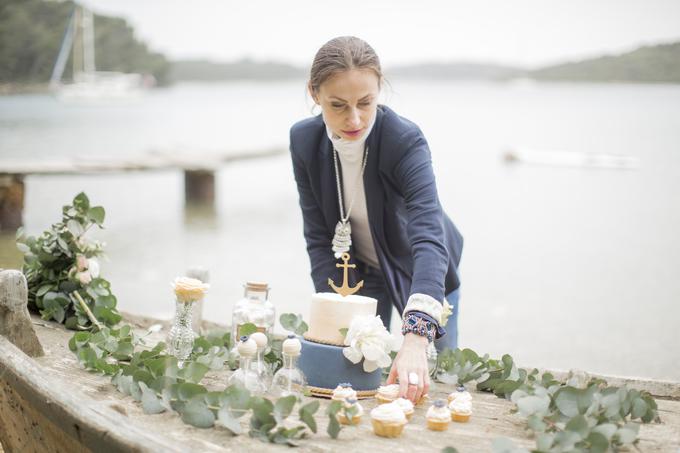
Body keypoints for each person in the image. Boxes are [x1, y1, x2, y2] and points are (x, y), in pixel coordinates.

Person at [289, 36, 463, 404]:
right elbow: (319, 237)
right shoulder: (303, 140)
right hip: (361, 272)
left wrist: (416, 335)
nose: (354, 119)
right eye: (338, 106)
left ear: (379, 89)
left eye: (365, 103)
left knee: (436, 376)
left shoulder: (405, 140)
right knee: (355, 378)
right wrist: (337, 314)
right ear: (314, 93)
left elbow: (429, 238)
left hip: (425, 270)